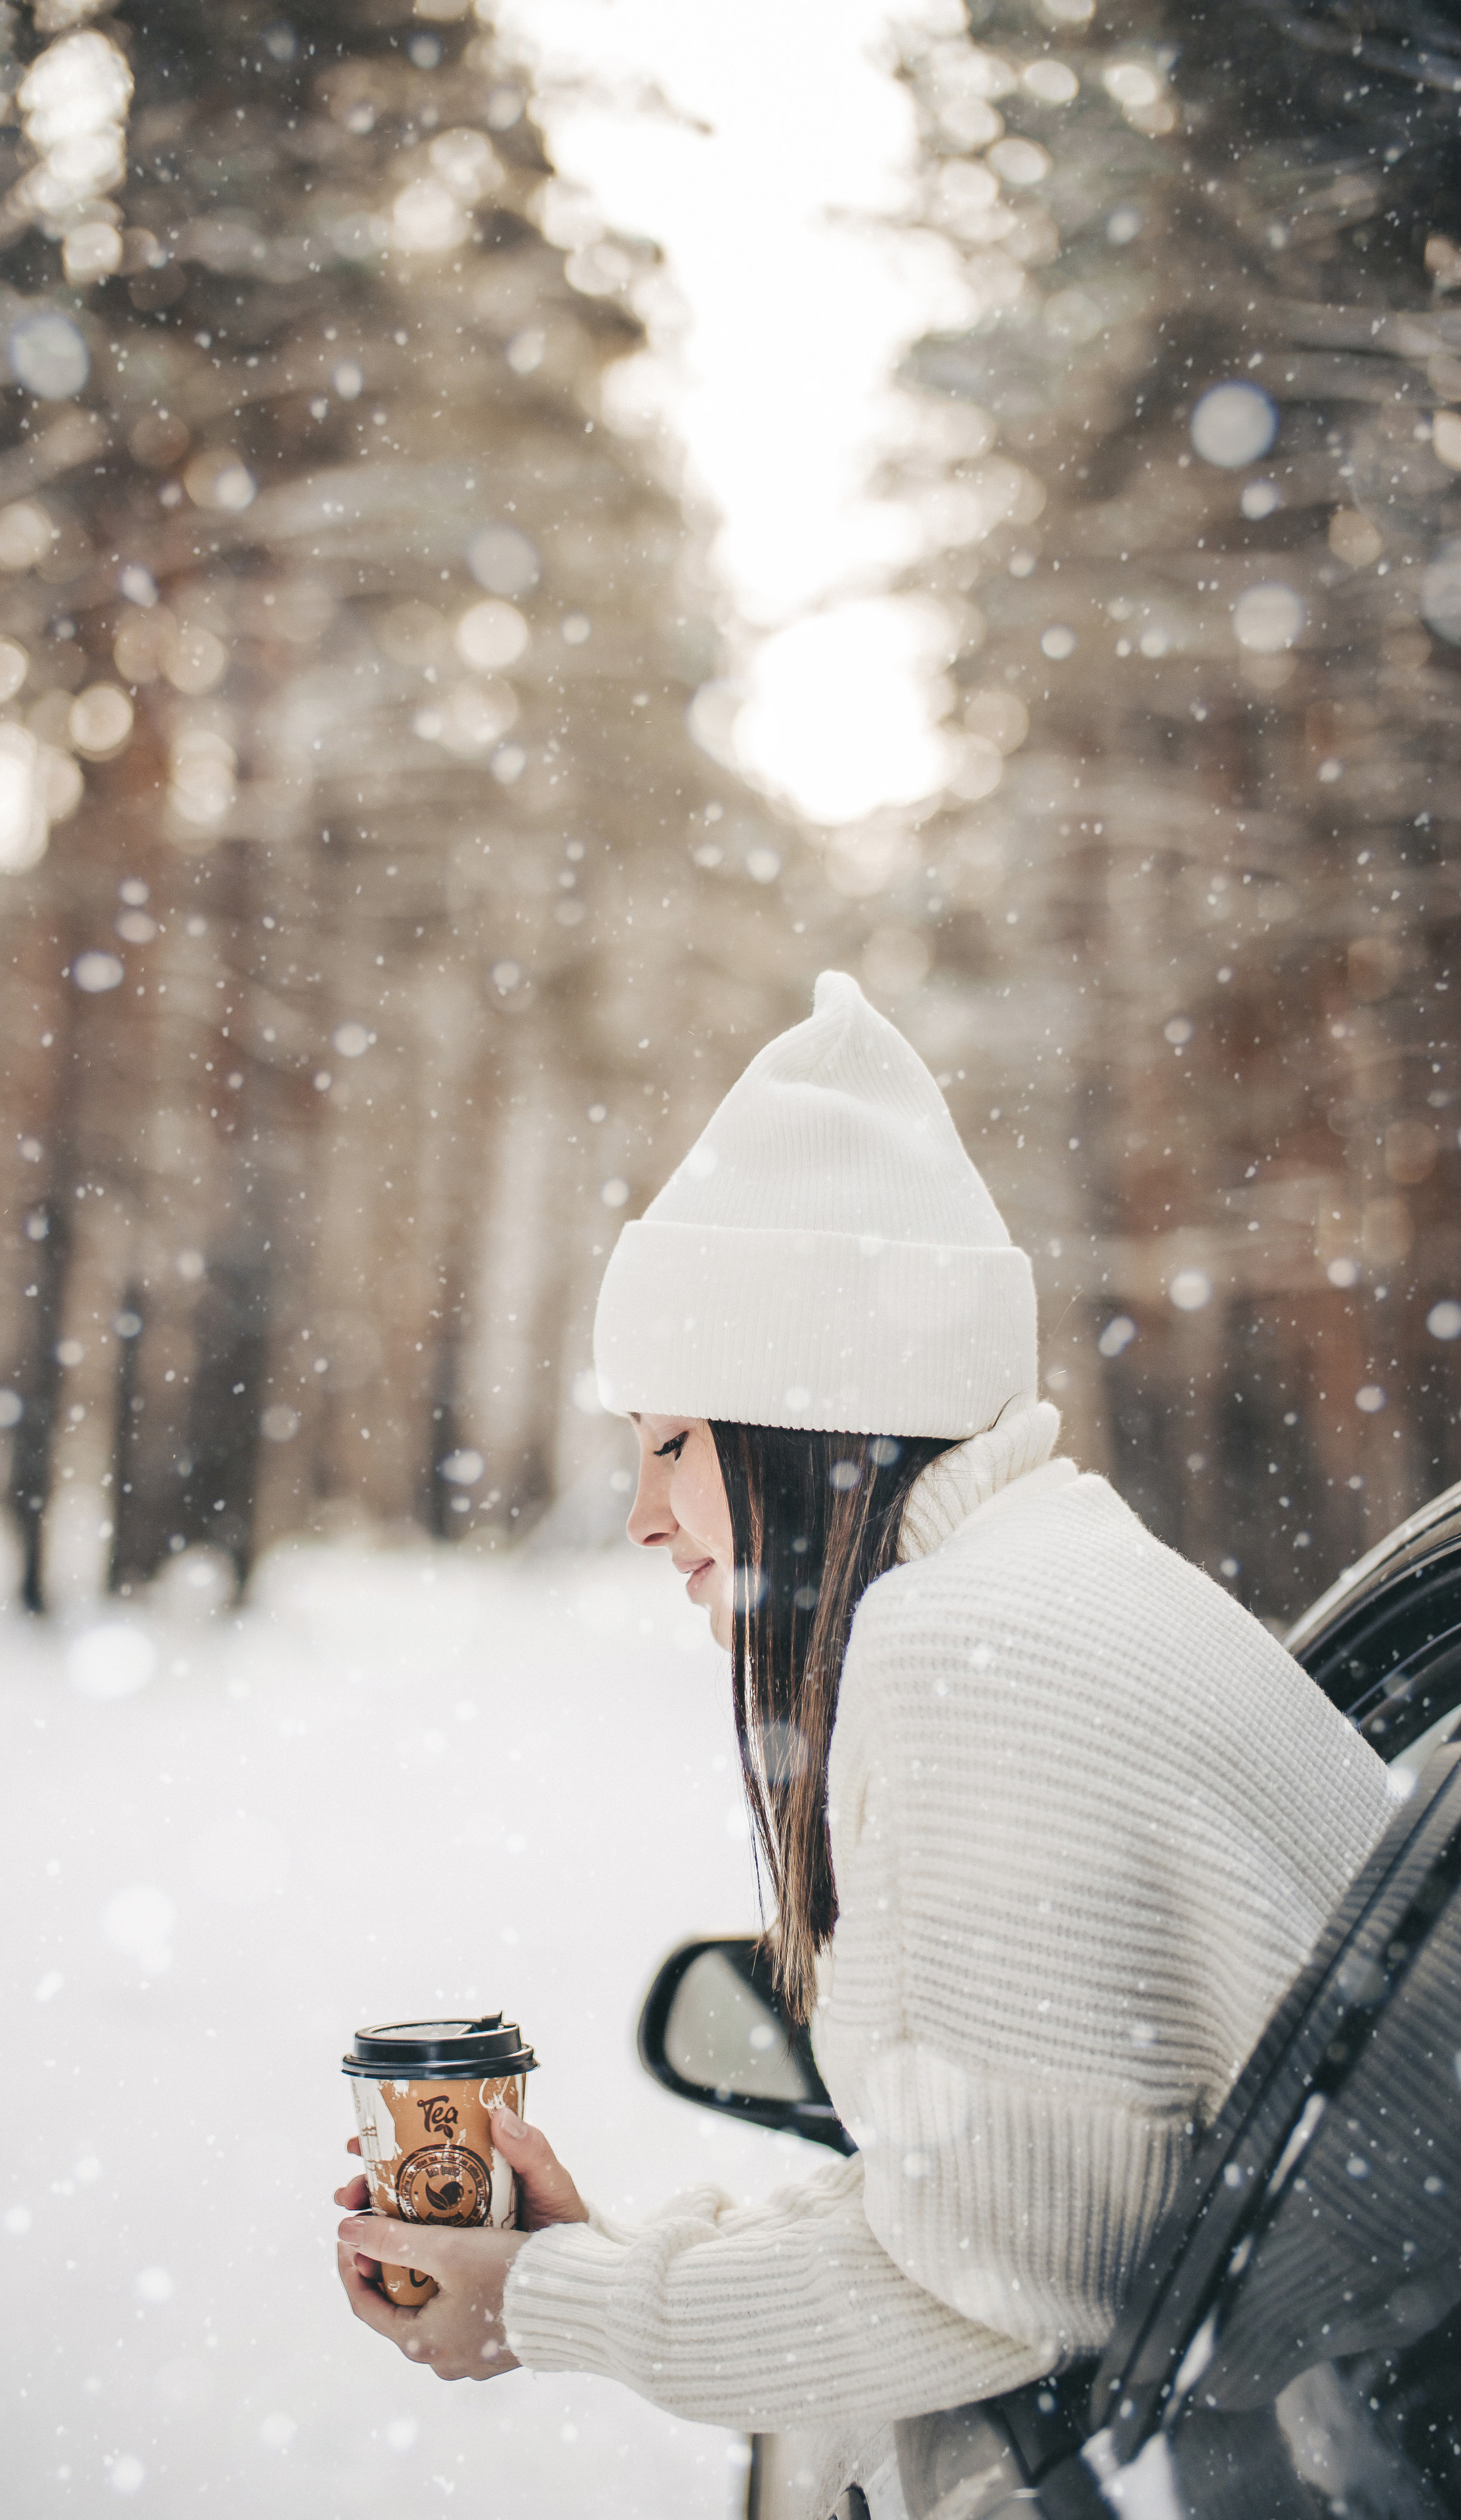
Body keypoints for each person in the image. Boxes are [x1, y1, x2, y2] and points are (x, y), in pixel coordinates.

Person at [335, 971, 1393, 2519]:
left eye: (670, 1442)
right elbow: (1012, 2224)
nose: (641, 1516)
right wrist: (593, 2266)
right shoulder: (1052, 1579)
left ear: (797, 1420)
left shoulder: (966, 1653)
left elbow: (994, 2299)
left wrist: (540, 2306)